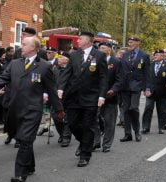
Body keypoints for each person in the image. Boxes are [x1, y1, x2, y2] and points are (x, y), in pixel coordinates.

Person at [0, 36, 63, 182]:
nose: (21, 47)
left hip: (33, 110)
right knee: (23, 139)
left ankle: (20, 174)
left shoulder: (44, 66)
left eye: (24, 44)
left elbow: (52, 90)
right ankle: (30, 166)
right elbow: (2, 78)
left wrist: (59, 109)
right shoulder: (14, 64)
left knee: (25, 140)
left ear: (33, 48)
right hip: (15, 109)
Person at [58, 31, 108, 167]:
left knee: (88, 126)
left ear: (88, 40)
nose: (77, 41)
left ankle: (85, 155)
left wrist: (102, 95)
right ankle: (85, 142)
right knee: (72, 124)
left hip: (91, 97)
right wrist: (60, 89)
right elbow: (67, 73)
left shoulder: (100, 55)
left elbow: (104, 77)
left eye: (80, 39)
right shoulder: (74, 55)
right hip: (74, 97)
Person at [93, 42, 123, 152]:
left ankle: (107, 144)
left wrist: (113, 90)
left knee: (109, 122)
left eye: (103, 48)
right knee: (93, 120)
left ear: (109, 50)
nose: (100, 50)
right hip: (95, 95)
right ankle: (95, 142)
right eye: (99, 48)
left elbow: (120, 79)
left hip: (110, 96)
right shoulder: (93, 60)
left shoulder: (116, 62)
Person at [120, 36, 150, 142]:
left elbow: (147, 73)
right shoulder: (125, 55)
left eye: (132, 42)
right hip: (125, 86)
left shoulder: (144, 55)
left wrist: (147, 88)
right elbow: (121, 71)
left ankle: (137, 132)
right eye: (129, 42)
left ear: (138, 43)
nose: (130, 44)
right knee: (126, 110)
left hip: (137, 85)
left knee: (134, 108)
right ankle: (127, 134)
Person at [141, 50, 166, 134]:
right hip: (150, 91)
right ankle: (145, 127)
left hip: (162, 92)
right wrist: (146, 89)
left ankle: (161, 127)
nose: (155, 56)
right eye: (154, 55)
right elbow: (145, 78)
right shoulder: (150, 65)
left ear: (162, 56)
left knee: (161, 110)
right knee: (148, 108)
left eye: (157, 55)